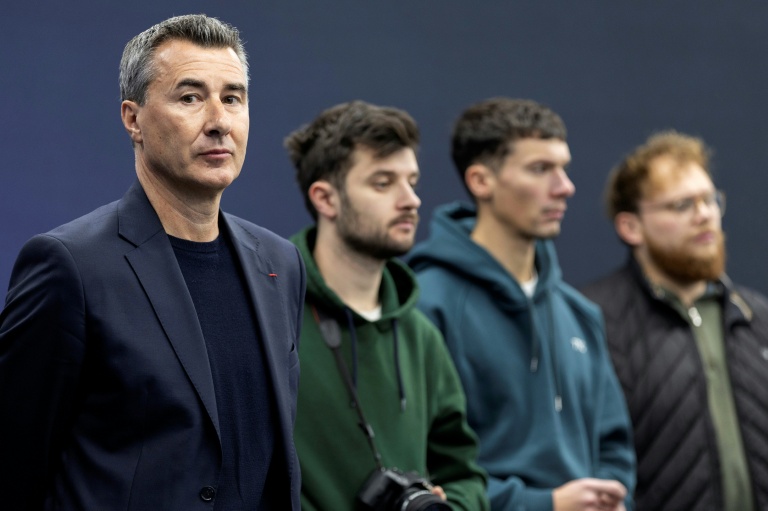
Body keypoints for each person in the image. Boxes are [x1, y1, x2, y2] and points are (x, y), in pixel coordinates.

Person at [0, 14, 305, 510]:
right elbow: (15, 466)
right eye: (190, 98)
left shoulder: (280, 264)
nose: (219, 121)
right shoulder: (70, 266)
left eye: (233, 98)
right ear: (133, 119)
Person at [409, 97, 636, 511]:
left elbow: (614, 447)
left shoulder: (579, 313)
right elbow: (423, 464)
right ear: (481, 181)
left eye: (563, 167)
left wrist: (610, 499)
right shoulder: (426, 306)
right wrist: (543, 504)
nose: (564, 186)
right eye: (540, 169)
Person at [284, 100, 489, 511]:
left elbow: (463, 474)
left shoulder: (420, 335)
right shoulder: (270, 318)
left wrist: (451, 506)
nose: (410, 200)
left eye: (412, 181)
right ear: (326, 199)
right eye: (383, 183)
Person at [580, 131, 768, 511]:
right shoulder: (592, 320)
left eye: (710, 200)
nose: (704, 215)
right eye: (682, 205)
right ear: (631, 227)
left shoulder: (757, 315)